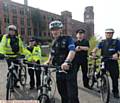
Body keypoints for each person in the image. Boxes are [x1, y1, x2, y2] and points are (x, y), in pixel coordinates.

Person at [45, 20, 79, 103]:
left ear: (60, 30)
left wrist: (67, 61)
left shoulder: (68, 39)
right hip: (59, 70)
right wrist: (48, 61)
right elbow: (52, 54)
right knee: (63, 94)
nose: (55, 31)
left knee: (72, 95)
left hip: (69, 70)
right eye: (53, 29)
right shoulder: (53, 42)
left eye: (57, 29)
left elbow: (72, 51)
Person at [92, 28, 120, 98]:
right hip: (104, 61)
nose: (108, 34)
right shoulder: (102, 42)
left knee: (115, 77)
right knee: (101, 74)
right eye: (107, 33)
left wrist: (118, 54)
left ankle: (115, 92)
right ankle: (101, 85)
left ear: (112, 34)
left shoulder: (117, 42)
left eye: (110, 33)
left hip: (113, 61)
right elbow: (96, 48)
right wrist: (93, 52)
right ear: (105, 34)